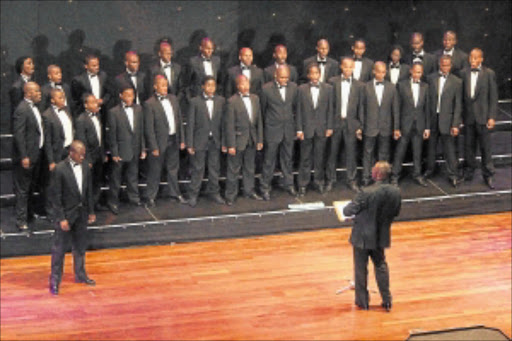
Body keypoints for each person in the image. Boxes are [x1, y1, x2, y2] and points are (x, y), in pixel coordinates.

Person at [343, 161, 401, 311]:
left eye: (374, 170)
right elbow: (395, 212)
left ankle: (363, 302)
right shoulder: (396, 192)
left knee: (360, 269)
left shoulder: (366, 192)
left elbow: (347, 211)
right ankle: (387, 300)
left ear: (377, 174)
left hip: (362, 236)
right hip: (381, 235)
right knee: (381, 265)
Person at [48, 140, 96, 295]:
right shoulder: (60, 169)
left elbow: (88, 192)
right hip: (66, 216)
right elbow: (56, 197)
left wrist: (91, 211)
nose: (83, 157)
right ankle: (55, 281)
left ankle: (80, 274)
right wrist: (61, 218)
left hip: (81, 215)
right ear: (71, 153)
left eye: (84, 154)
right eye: (80, 154)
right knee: (59, 250)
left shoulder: (86, 168)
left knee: (80, 247)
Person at [144, 75, 187, 207]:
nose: (165, 88)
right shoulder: (149, 103)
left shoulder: (173, 99)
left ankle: (175, 193)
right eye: (162, 85)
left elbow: (179, 120)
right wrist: (153, 146)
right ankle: (151, 196)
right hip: (158, 142)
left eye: (166, 85)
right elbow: (149, 127)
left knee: (173, 169)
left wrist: (182, 139)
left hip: (173, 139)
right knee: (155, 170)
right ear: (155, 87)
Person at [259, 65, 299, 200]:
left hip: (288, 129)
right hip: (272, 130)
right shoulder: (266, 89)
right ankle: (265, 187)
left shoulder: (294, 87)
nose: (285, 80)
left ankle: (289, 184)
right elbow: (262, 112)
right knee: (269, 160)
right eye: (282, 77)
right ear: (275, 76)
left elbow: (295, 108)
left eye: (287, 77)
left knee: (287, 159)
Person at [186, 76, 226, 207]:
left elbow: (224, 123)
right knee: (198, 168)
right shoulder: (195, 102)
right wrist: (190, 143)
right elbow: (190, 123)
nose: (211, 88)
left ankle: (214, 192)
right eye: (208, 85)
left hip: (215, 140)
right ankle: (193, 195)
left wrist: (224, 142)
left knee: (214, 168)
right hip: (199, 140)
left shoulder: (221, 101)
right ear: (203, 86)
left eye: (213, 85)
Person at [326, 57, 365, 193]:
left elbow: (361, 107)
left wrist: (359, 125)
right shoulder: (332, 82)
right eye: (346, 67)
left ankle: (351, 179)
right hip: (335, 123)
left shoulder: (359, 85)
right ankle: (330, 179)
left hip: (351, 124)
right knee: (332, 152)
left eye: (350, 67)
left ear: (353, 68)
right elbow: (329, 105)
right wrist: (329, 124)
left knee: (351, 153)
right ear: (341, 67)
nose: (348, 70)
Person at [461, 48, 498, 189]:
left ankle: (488, 175)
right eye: (471, 57)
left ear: (481, 59)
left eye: (476, 58)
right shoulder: (464, 73)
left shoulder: (489, 74)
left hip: (483, 117)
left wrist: (492, 117)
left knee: (485, 148)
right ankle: (468, 173)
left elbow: (493, 97)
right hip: (469, 117)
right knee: (469, 147)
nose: (473, 60)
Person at [224, 74, 264, 205]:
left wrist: (259, 140)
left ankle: (249, 190)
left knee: (250, 168)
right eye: (242, 84)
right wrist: (231, 144)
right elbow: (229, 125)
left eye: (247, 84)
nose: (245, 86)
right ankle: (230, 195)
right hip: (237, 141)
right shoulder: (232, 101)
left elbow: (259, 121)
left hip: (251, 139)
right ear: (237, 86)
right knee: (233, 169)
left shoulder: (255, 99)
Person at [106, 86, 146, 214]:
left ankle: (134, 198)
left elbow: (141, 131)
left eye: (132, 95)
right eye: (127, 95)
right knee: (116, 178)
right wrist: (114, 153)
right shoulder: (114, 112)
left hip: (134, 149)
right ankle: (113, 202)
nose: (130, 98)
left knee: (133, 176)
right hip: (120, 151)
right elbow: (112, 135)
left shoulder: (139, 109)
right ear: (121, 96)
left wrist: (143, 148)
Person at [424, 55, 463, 187]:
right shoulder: (430, 78)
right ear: (439, 64)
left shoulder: (457, 81)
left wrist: (455, 124)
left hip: (448, 120)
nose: (444, 67)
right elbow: (427, 101)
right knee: (431, 148)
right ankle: (429, 171)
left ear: (450, 66)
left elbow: (458, 105)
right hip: (433, 118)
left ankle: (453, 175)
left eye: (447, 65)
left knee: (449, 149)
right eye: (442, 65)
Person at [12, 81, 45, 231]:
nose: (39, 94)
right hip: (27, 157)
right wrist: (24, 156)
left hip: (35, 154)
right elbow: (19, 135)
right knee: (23, 189)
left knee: (31, 187)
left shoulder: (34, 108)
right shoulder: (22, 109)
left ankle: (30, 214)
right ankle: (21, 220)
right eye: (36, 91)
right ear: (28, 93)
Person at [296, 63, 333, 196]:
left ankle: (319, 182)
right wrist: (299, 129)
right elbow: (298, 110)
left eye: (317, 73)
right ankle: (303, 184)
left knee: (319, 158)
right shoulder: (301, 89)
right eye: (312, 73)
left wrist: (329, 126)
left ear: (320, 74)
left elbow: (330, 110)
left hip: (322, 128)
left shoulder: (328, 89)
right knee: (305, 157)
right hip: (306, 129)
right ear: (308, 75)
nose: (314, 76)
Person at [391, 63, 430, 187]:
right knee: (400, 152)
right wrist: (396, 127)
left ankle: (417, 175)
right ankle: (394, 176)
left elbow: (427, 109)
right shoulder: (401, 85)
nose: (417, 74)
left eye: (420, 72)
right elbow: (396, 108)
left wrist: (427, 127)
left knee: (418, 152)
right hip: (404, 125)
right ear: (411, 71)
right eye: (415, 72)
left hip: (419, 125)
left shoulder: (425, 86)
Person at [361, 62, 399, 186]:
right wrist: (361, 126)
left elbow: (395, 110)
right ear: (373, 71)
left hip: (385, 126)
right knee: (368, 153)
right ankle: (366, 178)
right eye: (378, 71)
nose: (381, 74)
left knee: (383, 154)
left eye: (383, 72)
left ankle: (382, 179)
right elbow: (362, 108)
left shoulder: (391, 87)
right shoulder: (365, 86)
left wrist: (396, 128)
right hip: (369, 126)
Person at [75, 93, 108, 211]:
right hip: (89, 157)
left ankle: (95, 203)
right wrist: (87, 159)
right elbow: (82, 142)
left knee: (97, 181)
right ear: (85, 105)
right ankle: (87, 207)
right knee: (87, 183)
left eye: (96, 102)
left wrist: (103, 153)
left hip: (98, 154)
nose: (96, 104)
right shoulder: (81, 120)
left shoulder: (98, 116)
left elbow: (101, 137)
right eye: (93, 102)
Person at [71, 54, 112, 123]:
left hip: (102, 113)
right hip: (86, 114)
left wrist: (103, 100)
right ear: (86, 66)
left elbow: (109, 92)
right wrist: (91, 103)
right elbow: (77, 98)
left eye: (97, 65)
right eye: (94, 66)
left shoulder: (103, 76)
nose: (97, 67)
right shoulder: (78, 80)